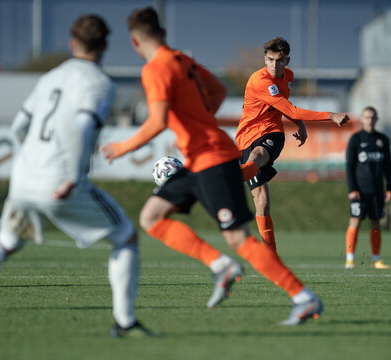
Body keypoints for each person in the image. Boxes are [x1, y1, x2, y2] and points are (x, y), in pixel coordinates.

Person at [0, 14, 153, 338]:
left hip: (23, 177)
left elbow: (19, 126)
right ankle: (125, 322)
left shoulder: (51, 77)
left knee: (6, 241)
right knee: (125, 237)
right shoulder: (98, 83)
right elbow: (82, 125)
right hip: (59, 179)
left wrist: (32, 160)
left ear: (71, 43)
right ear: (105, 44)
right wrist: (73, 176)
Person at [102, 7, 323, 325]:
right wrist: (199, 120)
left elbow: (158, 121)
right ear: (162, 34)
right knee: (151, 216)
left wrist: (123, 147)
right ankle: (221, 266)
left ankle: (303, 298)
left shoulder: (154, 69)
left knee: (237, 239)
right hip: (197, 158)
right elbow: (217, 91)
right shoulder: (183, 61)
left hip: (212, 158)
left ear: (135, 43)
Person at [237, 36, 350, 252]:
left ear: (287, 60)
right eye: (269, 59)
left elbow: (285, 107)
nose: (273, 65)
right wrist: (330, 115)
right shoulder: (260, 81)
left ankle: (272, 259)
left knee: (259, 155)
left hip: (272, 133)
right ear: (264, 58)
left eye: (279, 60)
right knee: (262, 203)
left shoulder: (288, 76)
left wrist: (299, 124)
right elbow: (292, 109)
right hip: (246, 137)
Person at [345, 106, 391, 269]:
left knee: (376, 223)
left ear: (376, 119)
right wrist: (352, 189)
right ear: (362, 119)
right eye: (366, 117)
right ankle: (350, 258)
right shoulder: (355, 139)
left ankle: (376, 258)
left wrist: (389, 188)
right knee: (355, 222)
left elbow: (388, 166)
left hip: (377, 190)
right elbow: (349, 166)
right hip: (360, 191)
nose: (369, 120)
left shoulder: (382, 140)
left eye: (372, 117)